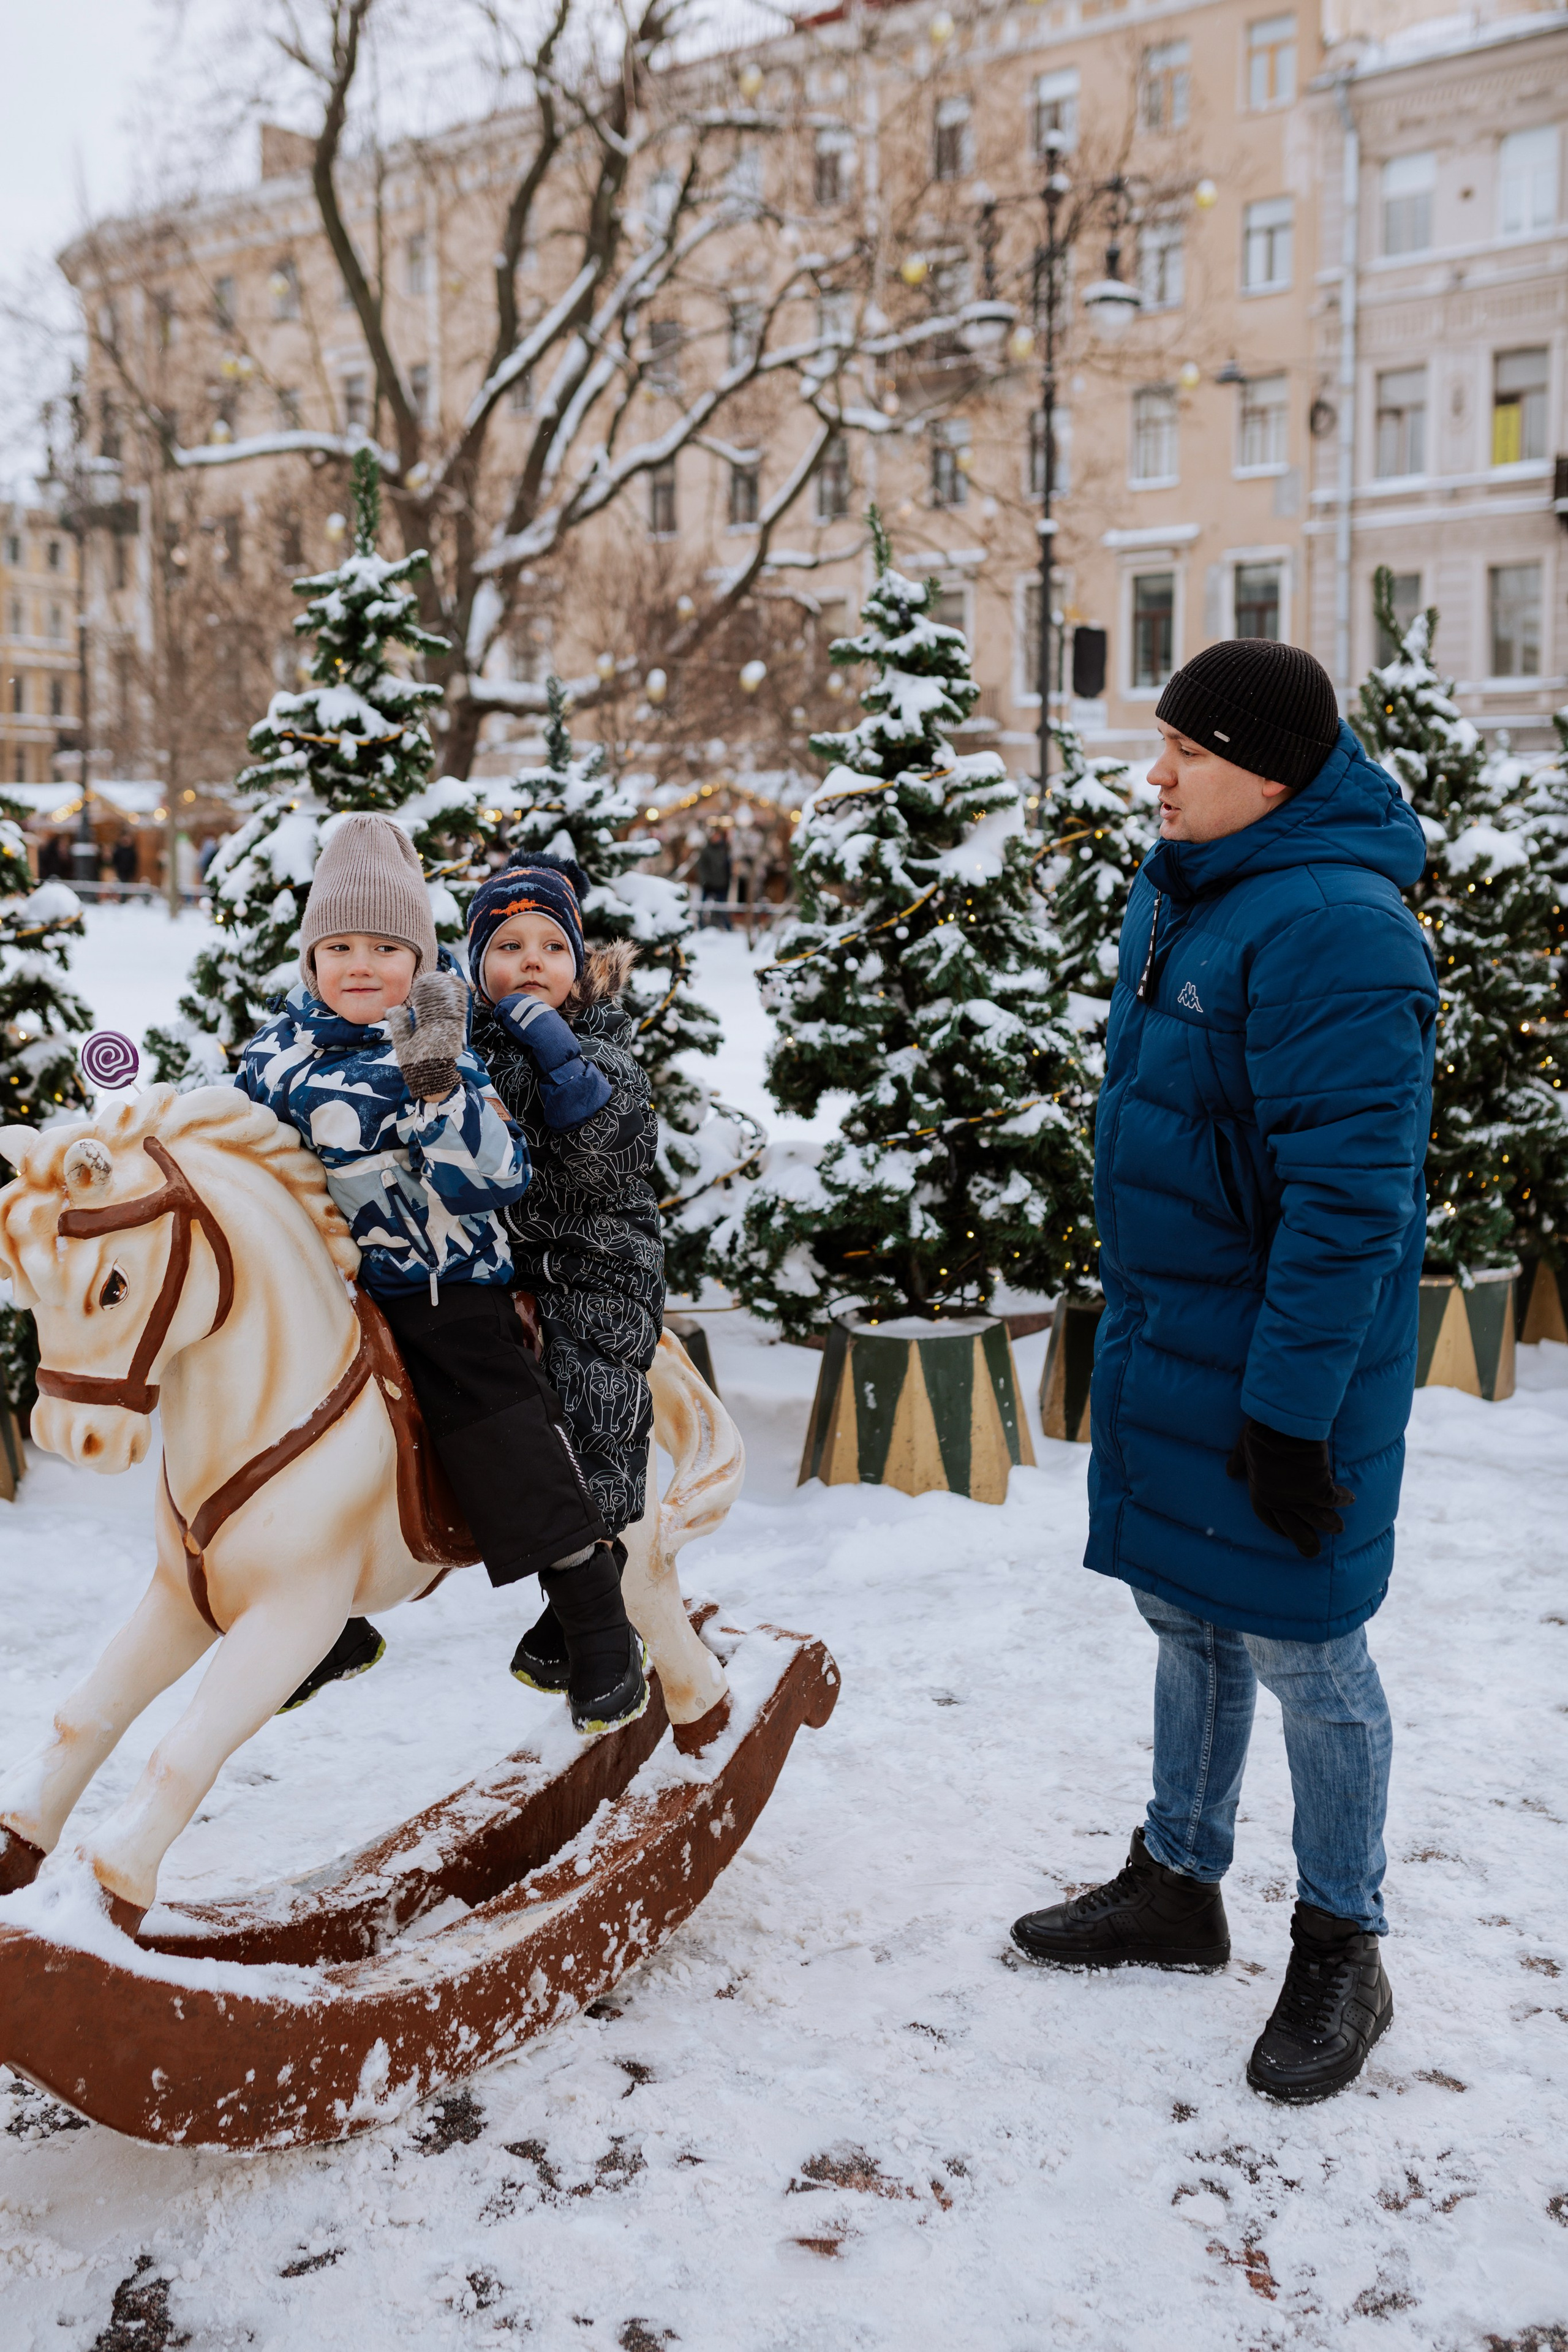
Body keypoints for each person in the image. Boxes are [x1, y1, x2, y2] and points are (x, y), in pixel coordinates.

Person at [1011, 639, 1438, 2106]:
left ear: (1265, 769)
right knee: (1185, 1607)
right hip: (1176, 1328)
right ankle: (1175, 1882)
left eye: (1184, 749)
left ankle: (1341, 1940)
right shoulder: (1196, 885)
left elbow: (1346, 1205)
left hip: (1279, 1363)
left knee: (1306, 1646)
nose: (1157, 773)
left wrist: (1285, 1410)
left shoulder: (1335, 927)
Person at [232, 813, 648, 1735]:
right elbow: (242, 1156)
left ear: (418, 961)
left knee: (487, 1402)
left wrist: (436, 1093)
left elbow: (496, 1178)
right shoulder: (273, 1057)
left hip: (442, 1282)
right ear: (310, 962)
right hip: (325, 1290)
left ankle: (593, 1613)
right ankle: (325, 1622)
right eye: (338, 946)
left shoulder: (437, 1042)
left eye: (386, 946)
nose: (359, 966)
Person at [465, 856, 664, 1698]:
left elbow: (603, 1149)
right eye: (508, 945)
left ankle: (591, 1574)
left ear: (580, 968)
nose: (532, 961)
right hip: (491, 1265)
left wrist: (558, 1055)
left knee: (588, 1391)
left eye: (553, 945)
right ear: (476, 969)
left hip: (596, 1265)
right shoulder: (459, 1052)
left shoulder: (603, 1049)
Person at [695, 827, 731, 929]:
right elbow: (702, 867)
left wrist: (726, 881)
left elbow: (727, 867)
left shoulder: (724, 850)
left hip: (721, 884)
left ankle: (726, 925)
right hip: (708, 884)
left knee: (722, 907)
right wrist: (705, 880)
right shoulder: (706, 851)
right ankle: (701, 925)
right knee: (703, 906)